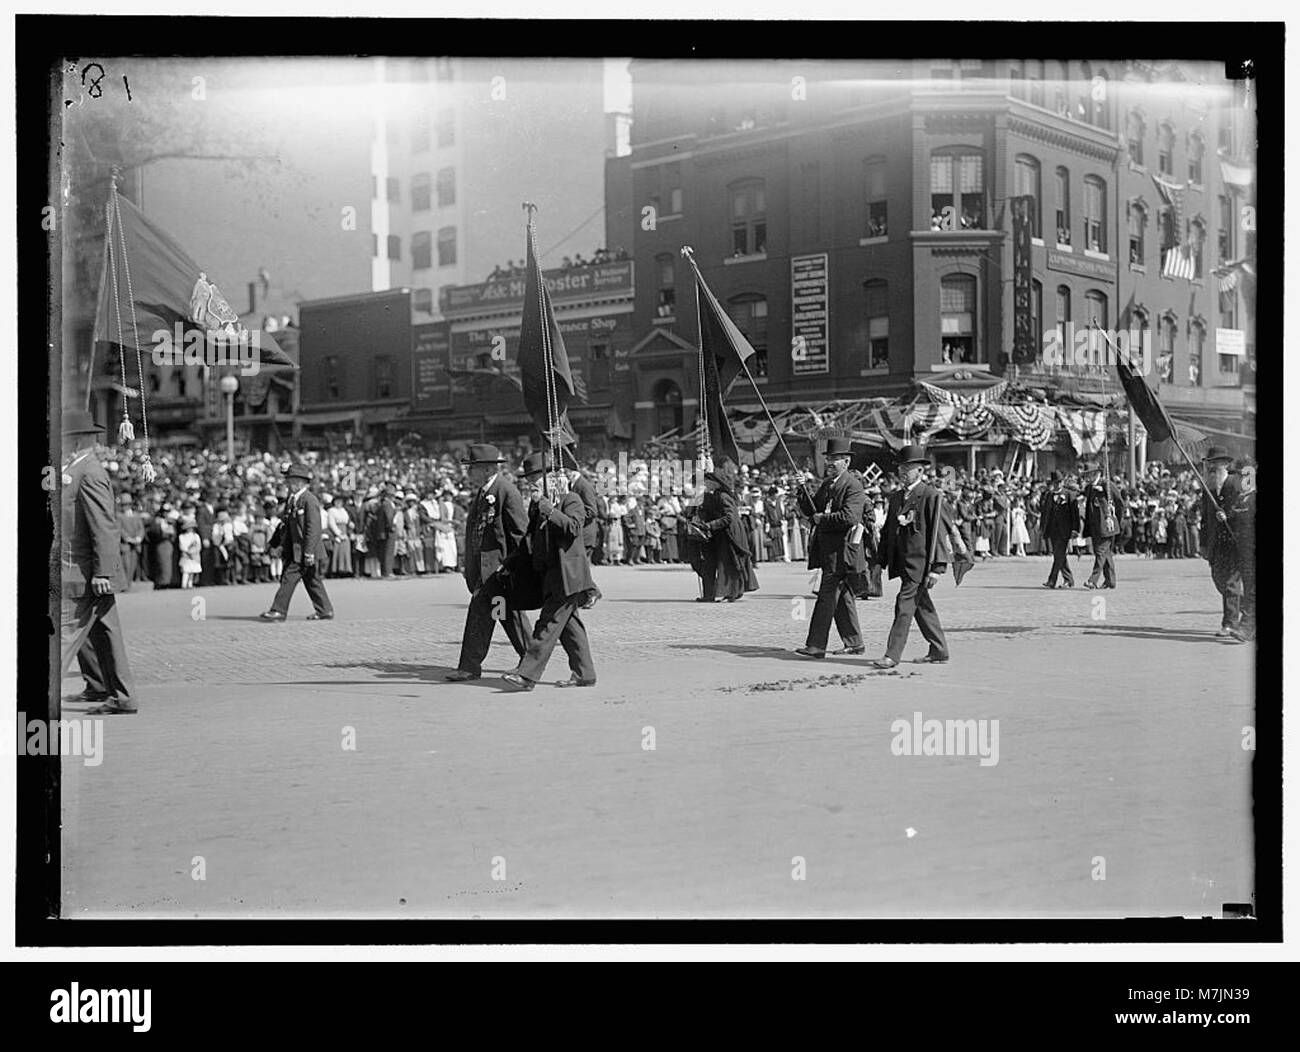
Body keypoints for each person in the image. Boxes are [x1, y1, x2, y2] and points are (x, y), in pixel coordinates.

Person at [59, 408, 137, 715]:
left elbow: (103, 525)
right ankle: (122, 696)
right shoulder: (76, 469)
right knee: (105, 634)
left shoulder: (88, 472)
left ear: (76, 441)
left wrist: (104, 571)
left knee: (61, 637)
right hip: (82, 572)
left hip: (82, 573)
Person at [501, 454, 600, 691]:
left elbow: (574, 527)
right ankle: (585, 673)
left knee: (547, 625)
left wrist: (549, 510)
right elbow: (529, 539)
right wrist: (510, 562)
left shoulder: (571, 499)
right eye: (529, 479)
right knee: (569, 627)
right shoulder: (537, 505)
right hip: (549, 576)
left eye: (536, 477)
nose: (531, 483)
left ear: (551, 478)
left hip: (568, 577)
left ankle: (526, 675)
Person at [446, 444, 533, 681]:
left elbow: (520, 533)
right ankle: (529, 660)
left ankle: (472, 666)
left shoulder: (506, 491)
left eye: (471, 469)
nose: (468, 473)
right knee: (503, 615)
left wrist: (514, 568)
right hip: (486, 572)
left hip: (499, 571)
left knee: (493, 613)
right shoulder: (485, 491)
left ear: (485, 469)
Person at [873, 444, 950, 668]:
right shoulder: (896, 497)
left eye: (908, 468)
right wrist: (880, 561)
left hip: (921, 563)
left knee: (904, 605)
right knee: (922, 607)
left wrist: (937, 568)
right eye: (901, 467)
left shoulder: (930, 495)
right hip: (902, 561)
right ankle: (939, 649)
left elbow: (939, 532)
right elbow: (888, 530)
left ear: (920, 471)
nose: (902, 472)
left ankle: (892, 655)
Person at [795, 438, 867, 658]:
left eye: (835, 459)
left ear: (846, 461)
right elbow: (812, 509)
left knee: (826, 597)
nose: (830, 463)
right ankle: (854, 643)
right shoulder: (828, 484)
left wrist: (822, 519)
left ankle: (816, 645)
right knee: (843, 597)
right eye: (828, 459)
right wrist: (802, 488)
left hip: (842, 551)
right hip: (828, 550)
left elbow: (850, 517)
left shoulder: (853, 485)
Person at [260, 462, 334, 621]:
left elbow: (313, 529)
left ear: (300, 482)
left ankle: (278, 610)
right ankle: (324, 610)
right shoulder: (292, 499)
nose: (288, 483)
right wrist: (274, 543)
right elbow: (284, 525)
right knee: (312, 580)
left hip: (304, 550)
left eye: (291, 480)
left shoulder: (309, 500)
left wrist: (308, 552)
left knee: (288, 578)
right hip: (295, 549)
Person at [697, 463, 754, 602]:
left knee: (729, 562)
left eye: (706, 481)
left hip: (731, 533)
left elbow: (730, 517)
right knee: (727, 562)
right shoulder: (714, 495)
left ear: (714, 483)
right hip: (723, 532)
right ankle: (733, 591)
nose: (704, 483)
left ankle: (731, 592)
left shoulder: (723, 496)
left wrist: (710, 525)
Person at [1200, 447, 1242, 636]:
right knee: (1219, 581)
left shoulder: (1236, 484)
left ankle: (1230, 624)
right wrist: (1202, 543)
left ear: (1225, 464)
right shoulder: (1208, 488)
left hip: (1234, 541)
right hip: (1216, 544)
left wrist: (1229, 515)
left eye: (1215, 463)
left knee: (1230, 583)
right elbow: (1205, 518)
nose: (1211, 466)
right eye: (1209, 463)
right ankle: (1248, 608)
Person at [1080, 459, 1120, 589]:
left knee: (1100, 552)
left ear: (1096, 473)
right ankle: (1110, 581)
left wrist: (1116, 519)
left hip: (1107, 526)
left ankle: (1093, 580)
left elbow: (1120, 502)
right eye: (1085, 475)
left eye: (1088, 474)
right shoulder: (1090, 488)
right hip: (1095, 526)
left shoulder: (1107, 486)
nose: (1086, 477)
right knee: (1105, 554)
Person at [1040, 473, 1080, 589]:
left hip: (1065, 530)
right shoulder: (1049, 495)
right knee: (1060, 555)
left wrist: (1075, 529)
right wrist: (1043, 527)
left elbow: (1075, 514)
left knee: (1059, 554)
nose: (1057, 485)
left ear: (1063, 482)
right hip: (1053, 529)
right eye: (1055, 482)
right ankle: (1068, 580)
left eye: (1059, 482)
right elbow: (1045, 513)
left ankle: (1052, 580)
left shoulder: (1069, 495)